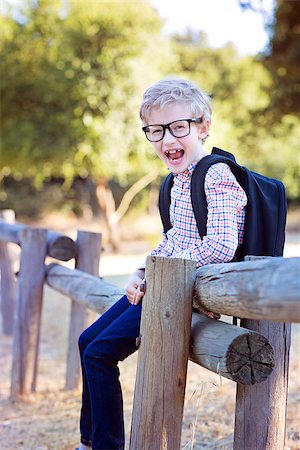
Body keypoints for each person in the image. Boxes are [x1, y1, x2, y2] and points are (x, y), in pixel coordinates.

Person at [76, 77, 247, 450]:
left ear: (203, 127)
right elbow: (173, 239)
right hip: (164, 285)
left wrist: (159, 276)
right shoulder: (176, 181)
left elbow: (221, 246)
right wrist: (143, 271)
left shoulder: (216, 175)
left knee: (100, 354)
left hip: (183, 292)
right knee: (87, 340)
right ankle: (90, 441)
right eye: (156, 131)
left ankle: (105, 446)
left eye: (178, 127)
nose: (167, 140)